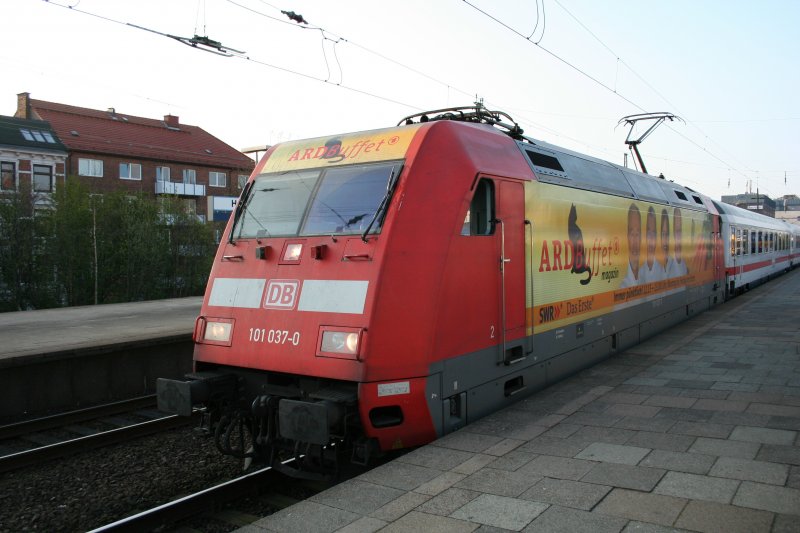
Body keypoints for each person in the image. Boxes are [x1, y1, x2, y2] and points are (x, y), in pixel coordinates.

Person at [640, 206, 665, 284]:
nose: (651, 239)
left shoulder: (663, 273)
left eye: (653, 234)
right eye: (648, 233)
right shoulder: (639, 273)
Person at [620, 203, 642, 288]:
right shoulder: (622, 286)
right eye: (632, 233)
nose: (635, 241)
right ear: (626, 236)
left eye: (638, 233)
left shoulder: (647, 275)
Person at [666, 207, 688, 277]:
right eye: (677, 231)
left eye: (681, 231)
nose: (680, 236)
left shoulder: (685, 263)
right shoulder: (668, 264)